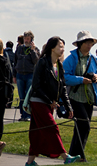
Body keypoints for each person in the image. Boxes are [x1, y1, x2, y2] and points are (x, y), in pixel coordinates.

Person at [25, 36, 79, 165]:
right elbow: (36, 85)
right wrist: (49, 101)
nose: (62, 49)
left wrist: (69, 107)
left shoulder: (59, 65)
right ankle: (66, 157)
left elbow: (63, 88)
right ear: (52, 48)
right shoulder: (42, 62)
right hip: (38, 101)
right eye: (60, 46)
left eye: (63, 46)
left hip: (49, 103)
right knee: (52, 127)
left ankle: (30, 162)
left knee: (37, 133)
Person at [63, 31, 97, 162]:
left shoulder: (94, 59)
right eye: (87, 42)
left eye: (91, 42)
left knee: (81, 127)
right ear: (80, 44)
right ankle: (81, 157)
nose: (89, 45)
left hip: (89, 98)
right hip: (74, 97)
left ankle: (73, 155)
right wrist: (81, 80)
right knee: (84, 126)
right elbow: (64, 77)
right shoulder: (71, 58)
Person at [15, 31, 39, 121]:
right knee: (21, 96)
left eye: (28, 38)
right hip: (20, 74)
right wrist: (14, 74)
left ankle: (28, 115)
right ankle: (22, 115)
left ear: (31, 39)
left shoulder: (35, 49)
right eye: (25, 38)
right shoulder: (19, 48)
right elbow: (15, 61)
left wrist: (33, 51)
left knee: (28, 96)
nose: (26, 40)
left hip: (30, 74)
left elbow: (36, 61)